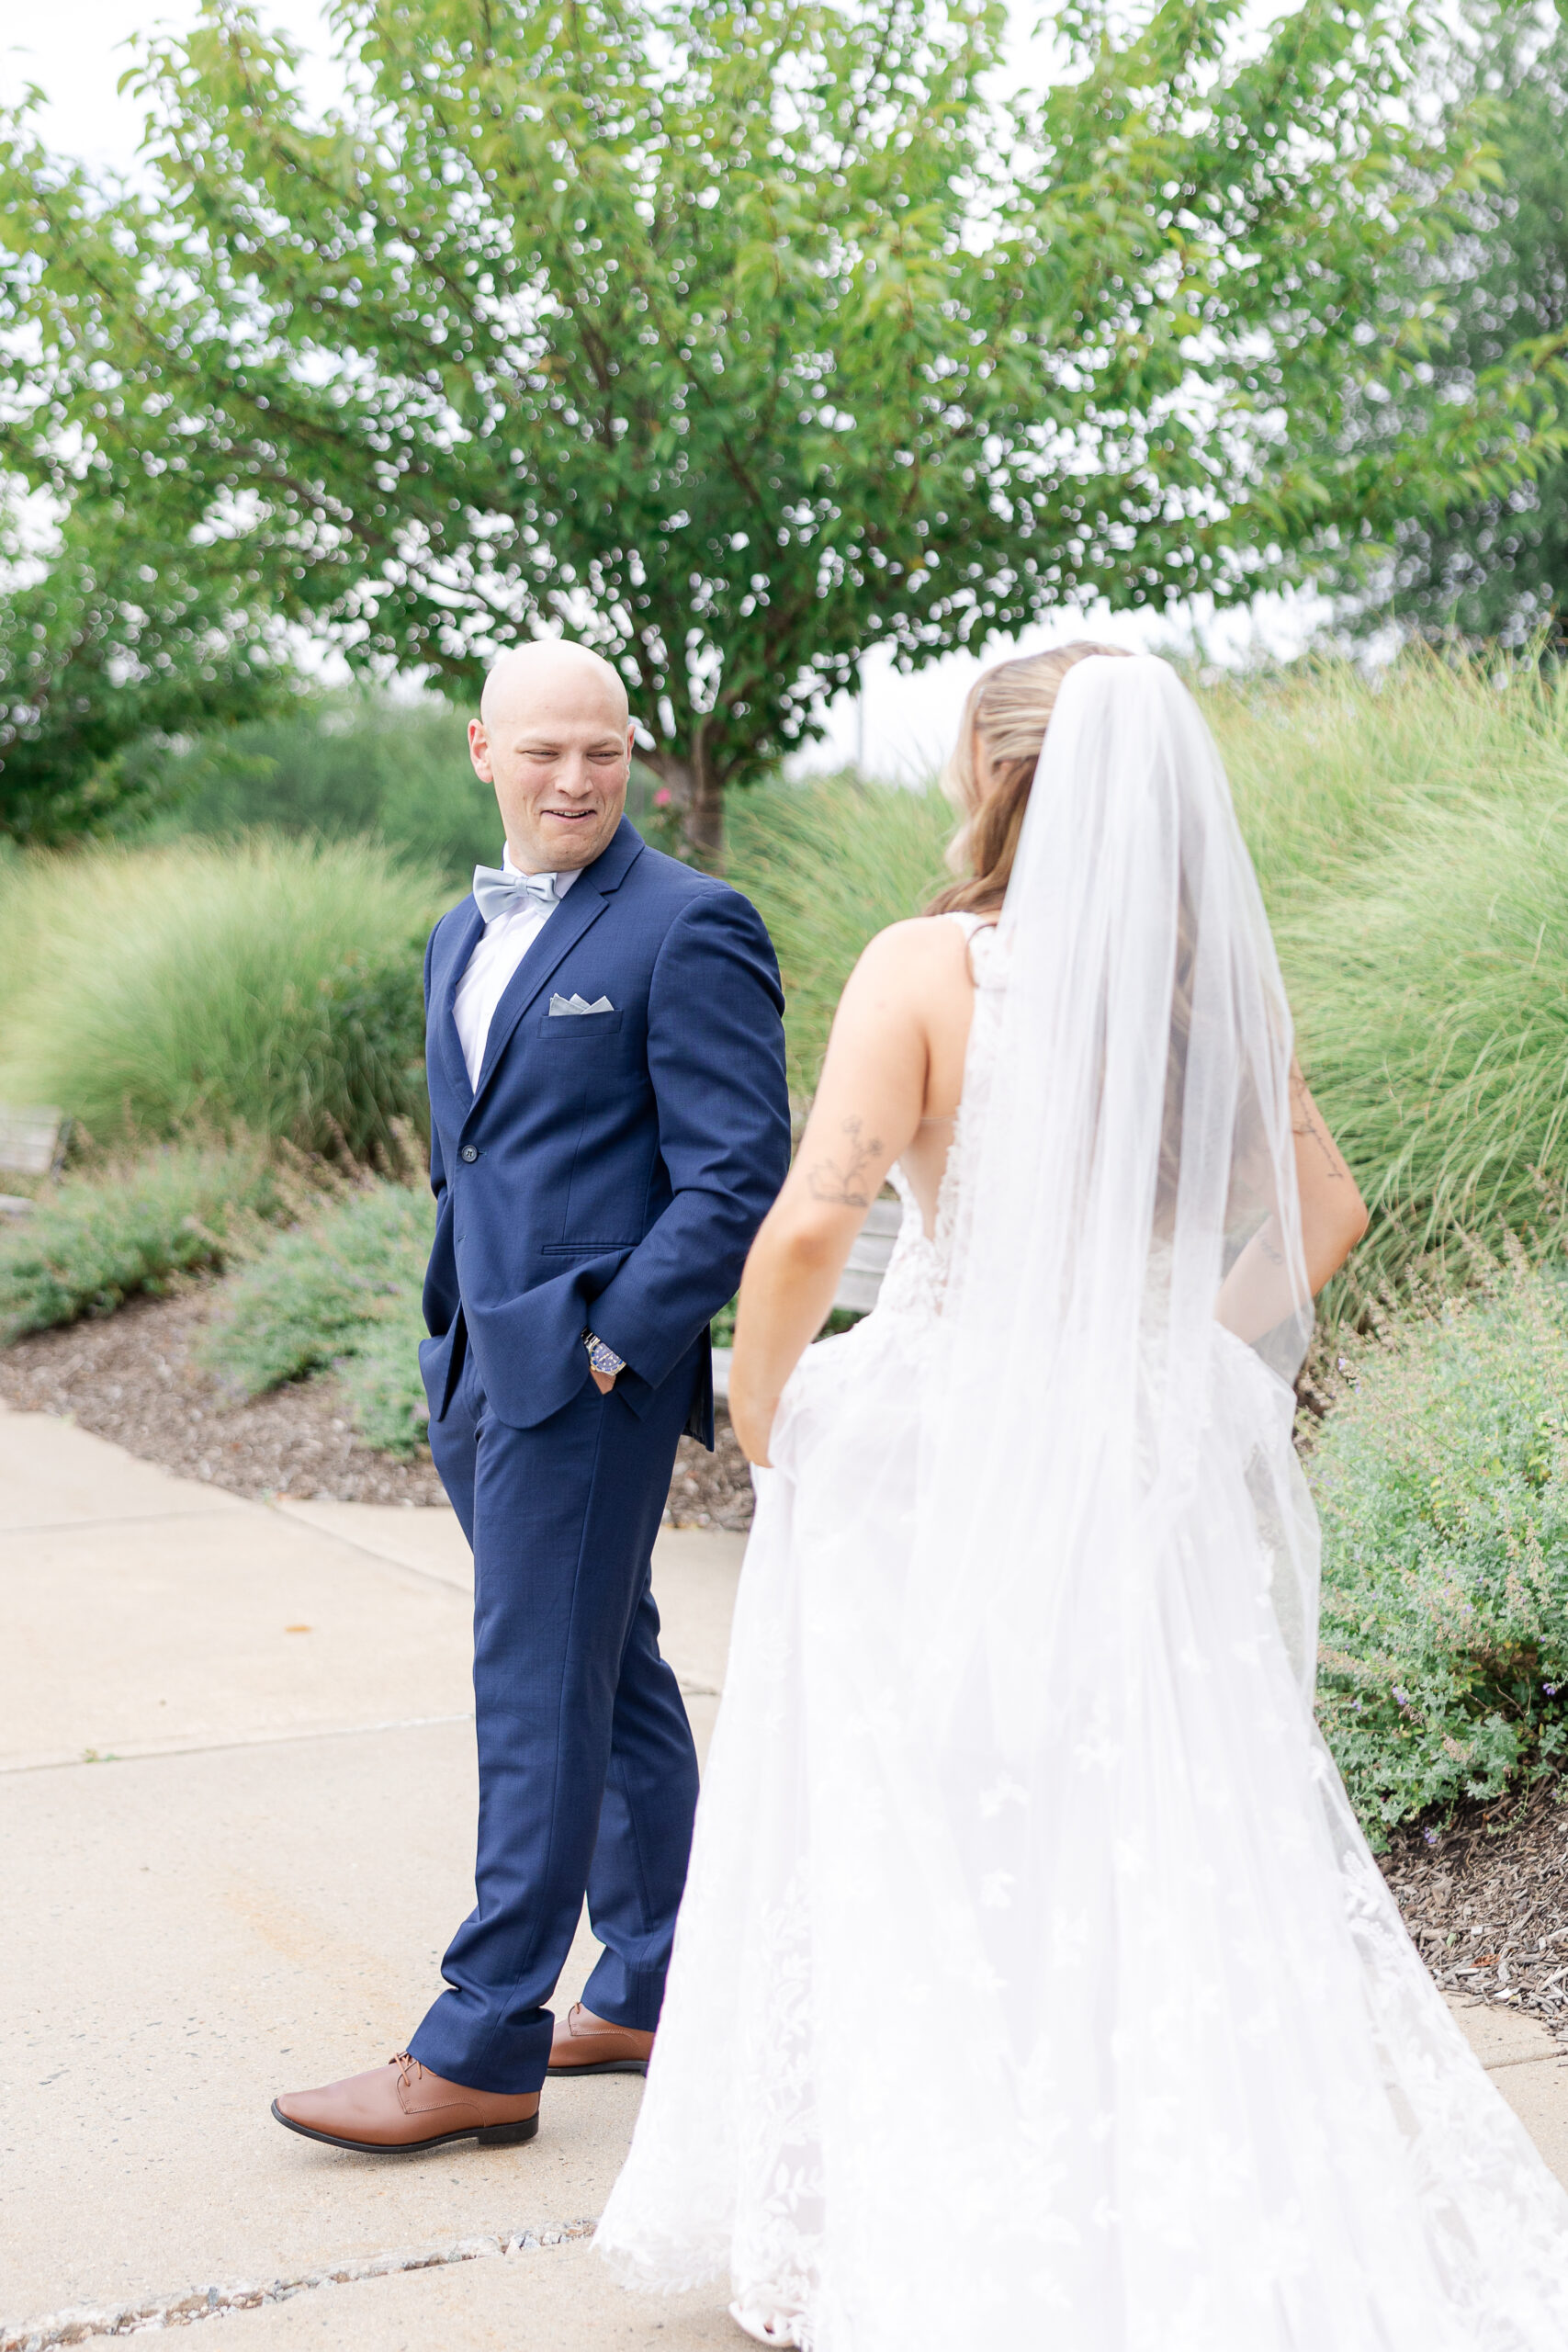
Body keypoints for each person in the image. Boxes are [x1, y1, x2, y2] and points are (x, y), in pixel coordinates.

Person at [595, 649, 1568, 2347]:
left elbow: (816, 1222)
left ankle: (947, 2215)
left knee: (932, 1817)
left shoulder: (926, 968)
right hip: (1139, 1446)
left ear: (997, 773)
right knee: (1145, 1811)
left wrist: (766, 1422)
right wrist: (1177, 1375)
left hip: (937, 1444)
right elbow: (1321, 1217)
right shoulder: (1204, 984)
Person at [271, 639, 791, 2154]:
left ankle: (484, 2040)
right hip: (477, 1365)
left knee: (532, 1695)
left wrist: (611, 1342)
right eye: (548, 752)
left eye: (606, 753)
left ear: (631, 758)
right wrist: (457, 1340)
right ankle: (654, 1978)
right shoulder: (456, 932)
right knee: (603, 1669)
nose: (579, 779)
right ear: (482, 751)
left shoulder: (693, 925)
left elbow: (734, 1171)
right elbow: (478, 1161)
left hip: (585, 1378)